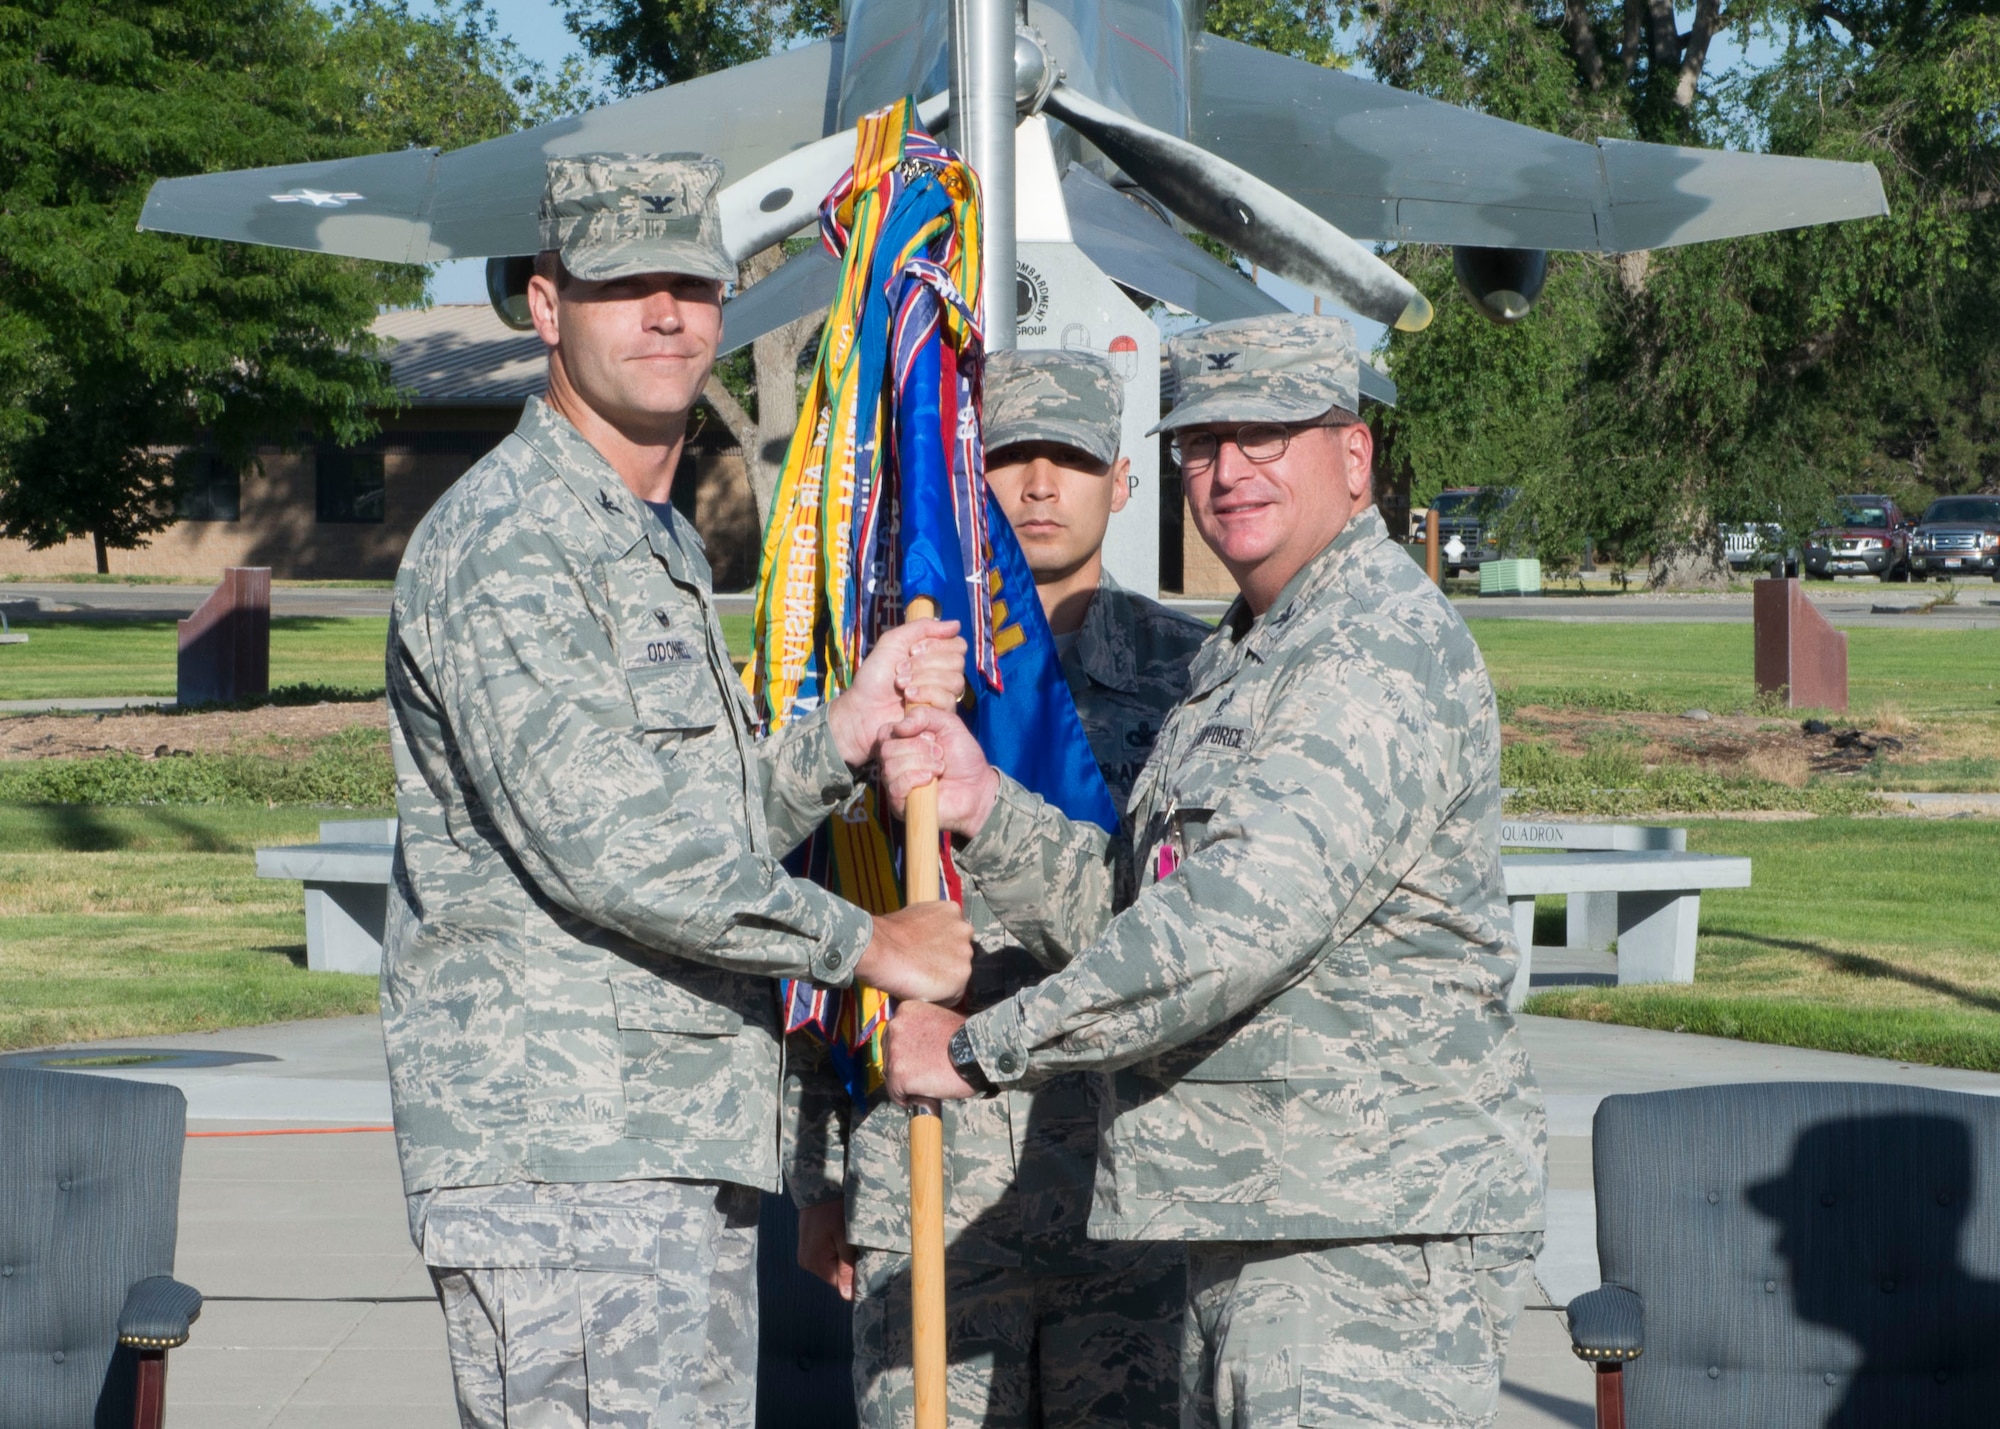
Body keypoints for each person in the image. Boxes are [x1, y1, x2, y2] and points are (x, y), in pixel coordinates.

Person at [381, 152, 974, 1429]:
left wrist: (838, 734)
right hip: (565, 1164)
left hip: (662, 1151)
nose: (665, 315)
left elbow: (695, 820)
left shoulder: (639, 534)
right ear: (545, 306)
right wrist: (872, 942)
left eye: (690, 284)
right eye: (620, 286)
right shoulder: (514, 541)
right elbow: (614, 851)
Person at [877, 314, 1548, 1429]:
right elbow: (1146, 907)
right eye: (1203, 441)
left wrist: (982, 1046)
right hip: (1256, 1220)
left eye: (1267, 434)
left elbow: (1234, 925)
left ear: (1352, 455)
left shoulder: (1368, 647)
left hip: (1364, 1245)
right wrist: (985, 808)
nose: (1229, 469)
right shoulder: (1246, 652)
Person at [788, 349, 1209, 1427]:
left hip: (1122, 1180)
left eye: (1065, 460)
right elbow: (823, 913)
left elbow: (1201, 921)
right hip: (930, 1167)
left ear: (1119, 481)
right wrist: (816, 1172)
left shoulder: (1196, 676)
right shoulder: (901, 666)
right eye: (1006, 457)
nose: (1033, 486)